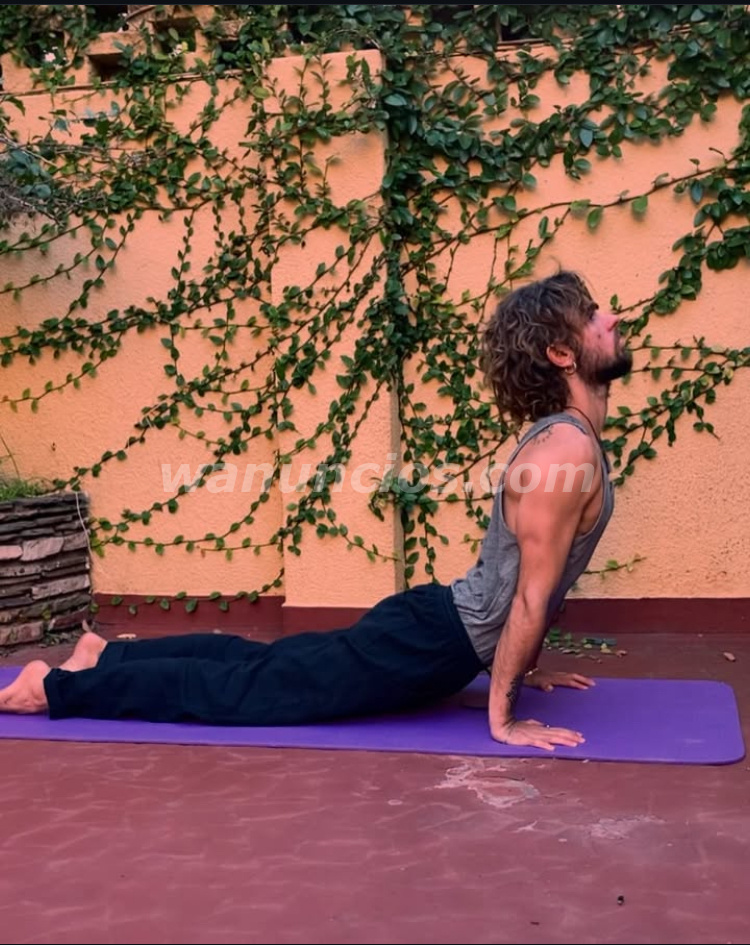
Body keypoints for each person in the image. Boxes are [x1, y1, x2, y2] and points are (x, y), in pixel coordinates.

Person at [0, 270, 632, 750]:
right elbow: (527, 596)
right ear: (561, 354)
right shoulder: (565, 450)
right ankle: (55, 688)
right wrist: (504, 716)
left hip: (434, 635)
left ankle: (105, 655)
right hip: (427, 644)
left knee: (267, 665)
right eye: (593, 316)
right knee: (251, 691)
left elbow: (524, 585)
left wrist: (519, 668)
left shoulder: (569, 440)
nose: (612, 319)